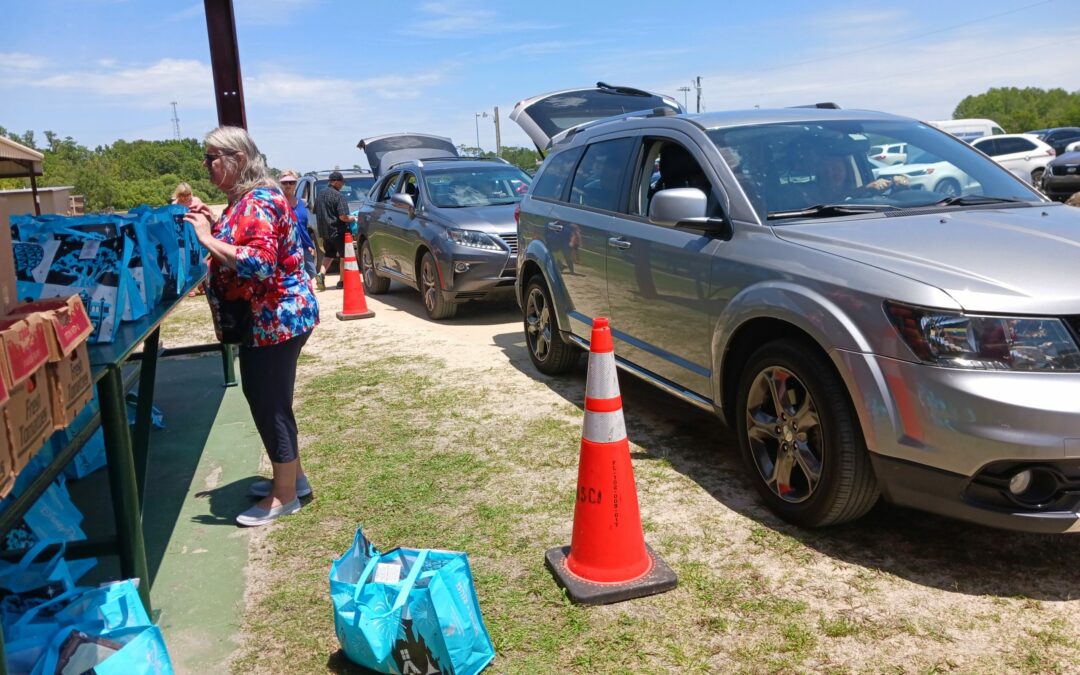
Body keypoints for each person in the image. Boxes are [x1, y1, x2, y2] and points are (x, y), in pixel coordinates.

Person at [183, 126, 319, 527]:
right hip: (273, 318)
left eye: (212, 158)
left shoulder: (258, 200)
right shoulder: (248, 200)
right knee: (269, 399)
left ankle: (285, 494)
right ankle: (293, 478)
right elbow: (245, 240)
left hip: (275, 319)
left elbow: (259, 262)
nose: (206, 166)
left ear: (237, 160)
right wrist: (216, 221)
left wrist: (207, 237)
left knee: (268, 401)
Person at [312, 170, 357, 291]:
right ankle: (341, 281)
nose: (342, 185)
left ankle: (321, 274)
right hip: (338, 231)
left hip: (325, 232)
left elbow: (314, 211)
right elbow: (343, 217)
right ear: (336, 182)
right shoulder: (338, 196)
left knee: (329, 254)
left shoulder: (320, 194)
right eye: (342, 182)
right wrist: (353, 218)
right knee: (344, 256)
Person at [814, 153, 908, 203]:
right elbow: (835, 201)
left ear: (846, 170)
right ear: (819, 173)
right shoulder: (811, 195)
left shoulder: (853, 191)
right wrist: (866, 188)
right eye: (825, 170)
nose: (831, 174)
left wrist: (897, 183)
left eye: (836, 169)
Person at [280, 170, 318, 286]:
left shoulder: (301, 203)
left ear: (296, 184)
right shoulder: (278, 202)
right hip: (286, 247)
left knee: (311, 273)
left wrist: (309, 245)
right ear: (280, 184)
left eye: (291, 182)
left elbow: (303, 226)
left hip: (303, 246)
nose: (288, 185)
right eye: (285, 182)